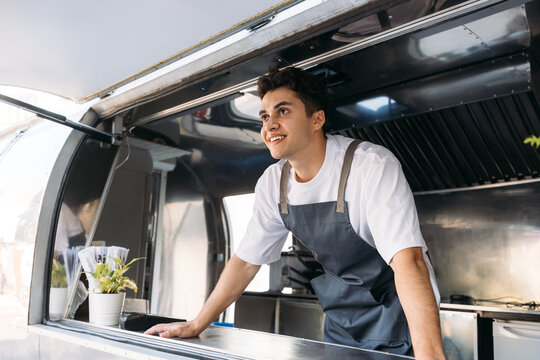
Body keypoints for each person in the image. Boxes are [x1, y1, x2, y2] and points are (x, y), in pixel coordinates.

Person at [146, 67, 445, 359]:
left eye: (283, 111)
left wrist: (430, 356)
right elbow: (247, 261)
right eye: (265, 116)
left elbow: (409, 261)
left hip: (399, 323)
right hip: (342, 328)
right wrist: (198, 323)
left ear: (317, 120)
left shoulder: (370, 166)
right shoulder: (274, 183)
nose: (270, 124)